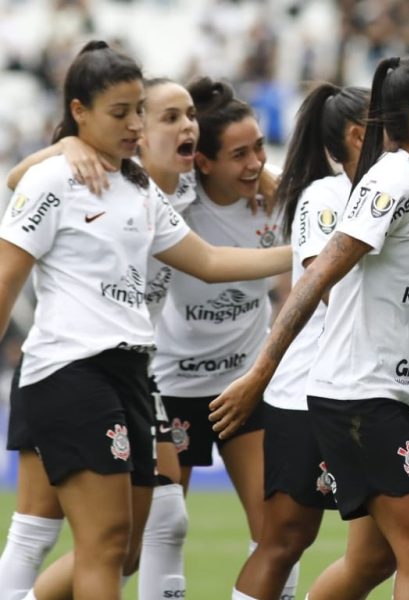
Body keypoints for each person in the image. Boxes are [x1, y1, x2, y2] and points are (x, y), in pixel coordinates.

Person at [0, 41, 290, 600]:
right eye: (124, 113)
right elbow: (8, 270)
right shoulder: (56, 178)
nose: (135, 124)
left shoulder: (143, 190)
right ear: (80, 112)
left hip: (134, 374)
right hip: (72, 369)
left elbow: (208, 261)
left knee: (128, 543)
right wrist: (63, 146)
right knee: (87, 540)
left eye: (139, 111)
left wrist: (311, 253)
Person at [209, 55, 409, 600]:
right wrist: (259, 374)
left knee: (383, 553)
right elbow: (317, 279)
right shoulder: (391, 181)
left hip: (394, 391)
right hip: (357, 392)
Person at [149, 75, 288, 596]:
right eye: (238, 154)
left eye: (258, 149)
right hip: (171, 388)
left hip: (244, 386)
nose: (255, 163)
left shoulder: (279, 198)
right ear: (201, 163)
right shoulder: (171, 199)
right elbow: (209, 265)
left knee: (278, 532)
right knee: (161, 531)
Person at [231, 82, 369, 600]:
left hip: (374, 390)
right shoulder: (325, 196)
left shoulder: (404, 190)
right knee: (286, 538)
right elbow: (326, 286)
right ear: (357, 136)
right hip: (308, 391)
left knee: (393, 544)